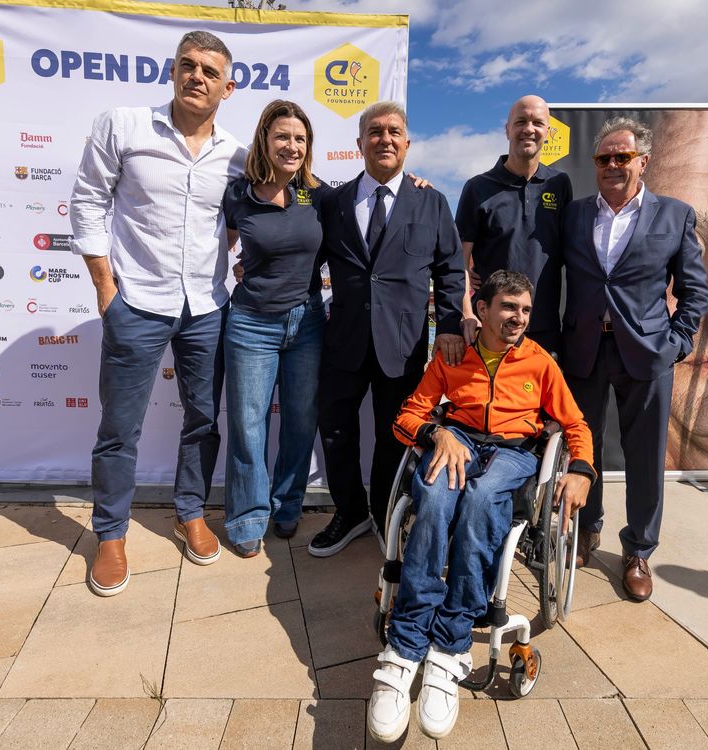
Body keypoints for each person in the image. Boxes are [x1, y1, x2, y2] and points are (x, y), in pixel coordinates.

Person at [368, 270, 595, 742]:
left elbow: (576, 425)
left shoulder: (539, 363)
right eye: (509, 307)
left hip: (513, 453)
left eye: (526, 310)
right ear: (483, 309)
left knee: (480, 500)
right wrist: (437, 432)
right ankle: (407, 644)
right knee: (430, 494)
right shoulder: (453, 355)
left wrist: (581, 472)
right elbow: (408, 416)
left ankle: (450, 646)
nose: (518, 318)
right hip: (461, 440)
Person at [70, 31, 245, 597]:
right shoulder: (123, 126)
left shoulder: (237, 155)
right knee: (120, 427)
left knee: (202, 420)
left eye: (209, 71)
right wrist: (103, 283)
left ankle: (190, 511)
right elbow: (88, 200)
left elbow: (288, 194)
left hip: (207, 307)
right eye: (187, 66)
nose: (197, 77)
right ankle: (111, 532)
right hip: (137, 301)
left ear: (227, 87)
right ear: (173, 71)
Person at [559, 116, 708, 602]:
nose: (612, 165)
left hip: (646, 354)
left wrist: (677, 343)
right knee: (583, 448)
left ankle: (640, 549)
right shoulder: (575, 214)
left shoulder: (675, 215)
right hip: (583, 348)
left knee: (645, 457)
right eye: (603, 158)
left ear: (643, 161)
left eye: (622, 157)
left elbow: (694, 292)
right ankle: (586, 529)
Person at [308, 101, 467, 557]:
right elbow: (305, 253)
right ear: (359, 144)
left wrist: (452, 325)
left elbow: (451, 271)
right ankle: (350, 511)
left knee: (394, 434)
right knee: (335, 429)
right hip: (344, 342)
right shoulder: (332, 202)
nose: (385, 139)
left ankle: (383, 512)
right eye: (374, 132)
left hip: (403, 345)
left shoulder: (431, 200)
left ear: (408, 143)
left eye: (394, 131)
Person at [220, 100, 327, 558]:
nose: (292, 146)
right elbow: (213, 253)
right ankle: (247, 516)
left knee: (301, 423)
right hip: (250, 324)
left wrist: (417, 183)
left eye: (300, 139)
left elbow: (371, 202)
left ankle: (287, 506)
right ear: (265, 139)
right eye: (283, 136)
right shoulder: (238, 195)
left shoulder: (318, 195)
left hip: (306, 323)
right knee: (248, 425)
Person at [456, 95, 572, 351]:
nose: (529, 129)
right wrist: (467, 313)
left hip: (545, 330)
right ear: (508, 129)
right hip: (490, 330)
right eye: (520, 121)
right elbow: (460, 261)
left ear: (549, 132)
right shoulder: (477, 188)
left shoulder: (560, 184)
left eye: (538, 123)